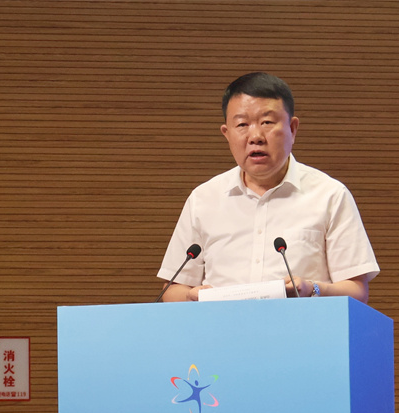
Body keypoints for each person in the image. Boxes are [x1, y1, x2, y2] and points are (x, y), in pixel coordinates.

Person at [157, 72, 379, 303]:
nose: (256, 136)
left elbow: (357, 291)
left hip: (302, 324)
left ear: (292, 128)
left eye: (267, 122)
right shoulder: (203, 199)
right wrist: (192, 296)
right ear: (227, 134)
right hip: (221, 325)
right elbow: (173, 289)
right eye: (242, 124)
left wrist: (312, 289)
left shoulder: (330, 195)